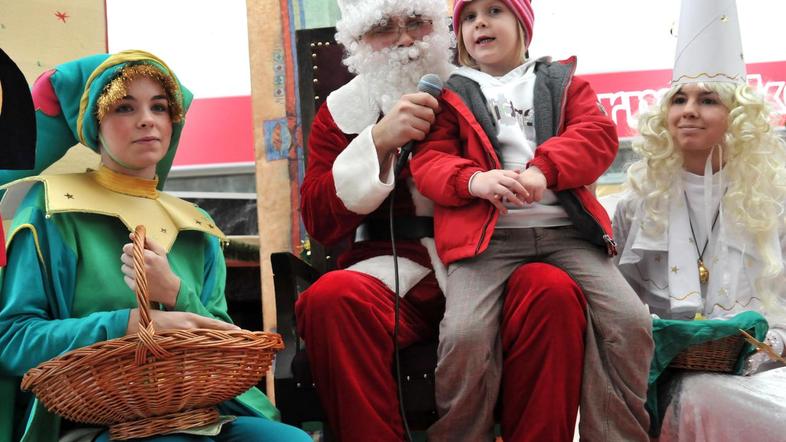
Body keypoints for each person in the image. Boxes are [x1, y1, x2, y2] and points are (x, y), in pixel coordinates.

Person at [295, 0, 588, 440]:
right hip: (396, 270)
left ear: (441, 29)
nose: (406, 39)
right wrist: (377, 141)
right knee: (331, 299)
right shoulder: (341, 112)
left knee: (552, 290)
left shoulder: (487, 86)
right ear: (357, 42)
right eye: (383, 28)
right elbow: (319, 221)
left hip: (495, 255)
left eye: (417, 22)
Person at [0, 50, 311, 442]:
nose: (147, 119)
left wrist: (175, 293)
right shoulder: (52, 209)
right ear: (95, 124)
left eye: (159, 107)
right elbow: (11, 339)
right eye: (124, 107)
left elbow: (223, 339)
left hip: (201, 415)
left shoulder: (196, 222)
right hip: (94, 425)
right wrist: (129, 324)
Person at [410, 0, 654, 440]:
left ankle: (617, 435)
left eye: (494, 11)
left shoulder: (563, 83)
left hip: (570, 235)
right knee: (464, 336)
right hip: (487, 243)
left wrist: (544, 169)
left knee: (630, 323)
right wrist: (475, 180)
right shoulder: (449, 93)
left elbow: (597, 136)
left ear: (523, 24)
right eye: (468, 17)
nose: (479, 22)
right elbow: (429, 162)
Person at [612, 1, 786, 440]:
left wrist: (770, 347)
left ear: (739, 118)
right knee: (709, 395)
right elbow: (618, 307)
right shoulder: (635, 205)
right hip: (673, 379)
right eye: (680, 99)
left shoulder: (775, 200)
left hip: (769, 371)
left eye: (708, 100)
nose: (689, 110)